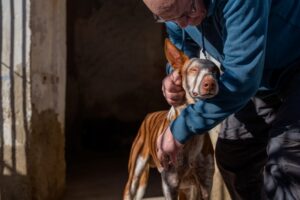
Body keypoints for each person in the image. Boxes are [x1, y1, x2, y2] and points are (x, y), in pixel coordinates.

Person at [142, 0, 300, 199]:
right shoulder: (178, 10)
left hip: (287, 63)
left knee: (287, 164)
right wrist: (176, 76)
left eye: (188, 12)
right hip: (261, 80)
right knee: (235, 156)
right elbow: (183, 46)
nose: (182, 24)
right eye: (168, 18)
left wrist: (180, 128)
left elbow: (240, 79)